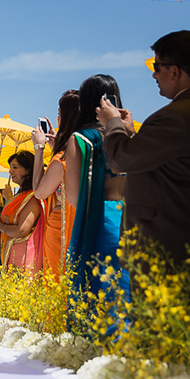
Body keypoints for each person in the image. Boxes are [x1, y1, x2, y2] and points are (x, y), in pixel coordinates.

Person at [98, 31, 190, 265]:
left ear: (174, 71)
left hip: (162, 244)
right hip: (180, 238)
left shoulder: (174, 117)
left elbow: (121, 160)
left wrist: (112, 124)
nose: (153, 74)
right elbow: (162, 160)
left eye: (157, 67)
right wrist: (131, 134)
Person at [65, 74, 131, 317]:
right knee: (127, 292)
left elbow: (73, 197)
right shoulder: (127, 132)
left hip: (100, 222)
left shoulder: (81, 140)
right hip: (130, 218)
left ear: (85, 104)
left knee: (98, 295)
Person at [31, 90, 80, 278]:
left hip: (61, 229)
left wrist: (39, 148)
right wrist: (56, 146)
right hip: (81, 225)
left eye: (59, 114)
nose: (57, 119)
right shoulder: (86, 148)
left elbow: (39, 191)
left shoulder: (63, 158)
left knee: (58, 285)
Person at [0, 151, 43, 273]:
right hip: (9, 253)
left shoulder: (32, 197)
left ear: (28, 171)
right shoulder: (18, 198)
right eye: (10, 167)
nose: (10, 171)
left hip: (23, 256)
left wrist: (2, 227)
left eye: (15, 167)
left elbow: (22, 230)